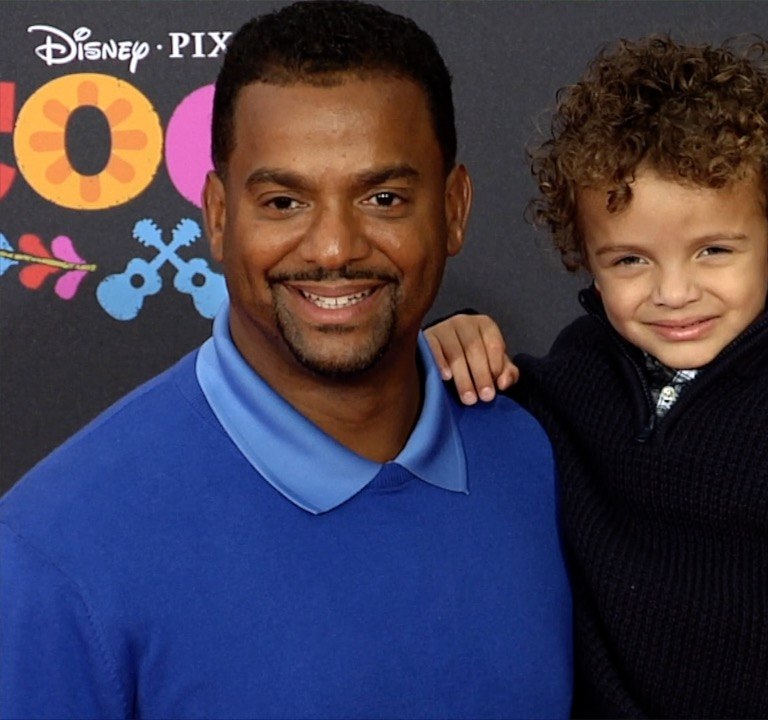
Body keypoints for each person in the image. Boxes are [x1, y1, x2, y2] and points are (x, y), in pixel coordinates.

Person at [0, 2, 571, 717]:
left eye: (384, 197)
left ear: (454, 209)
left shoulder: (536, 458)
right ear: (216, 216)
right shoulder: (55, 552)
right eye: (282, 202)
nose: (333, 248)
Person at [428, 35, 768, 718]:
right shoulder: (568, 379)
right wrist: (453, 337)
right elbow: (471, 396)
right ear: (586, 258)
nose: (674, 292)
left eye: (713, 251)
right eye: (631, 261)